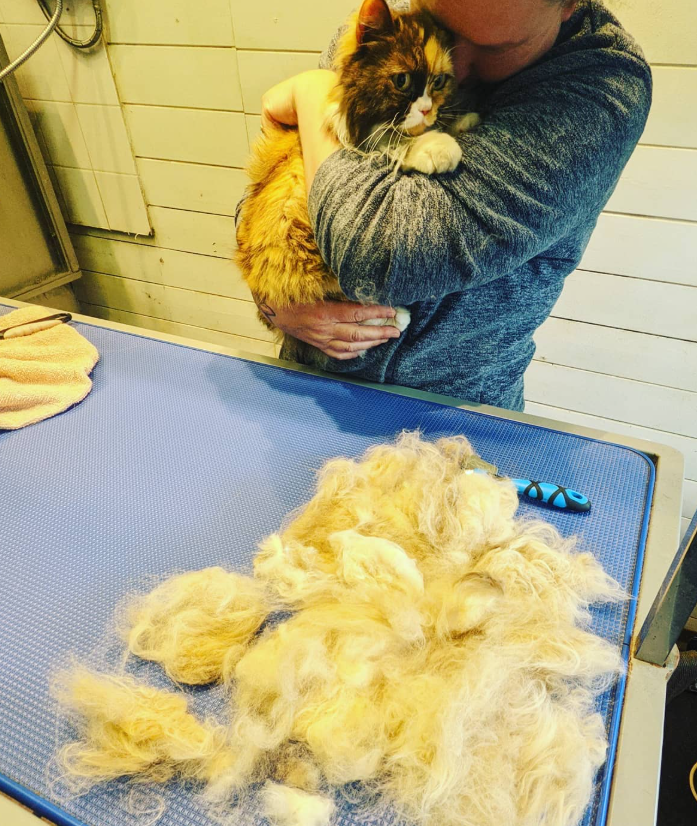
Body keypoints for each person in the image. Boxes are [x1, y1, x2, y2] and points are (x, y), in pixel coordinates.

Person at [251, 0, 651, 411]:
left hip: (458, 417)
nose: (453, 72)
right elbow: (273, 187)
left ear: (568, 6)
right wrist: (276, 303)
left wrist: (311, 92)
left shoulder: (599, 86)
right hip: (307, 385)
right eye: (441, 29)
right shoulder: (399, 18)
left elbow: (378, 255)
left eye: (493, 49)